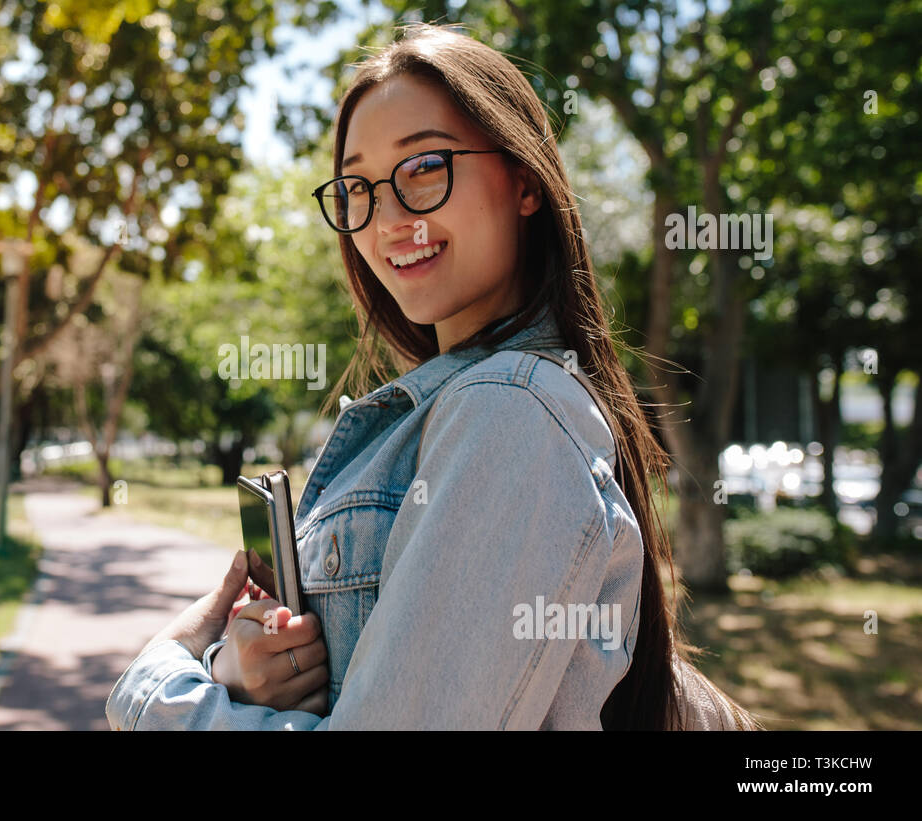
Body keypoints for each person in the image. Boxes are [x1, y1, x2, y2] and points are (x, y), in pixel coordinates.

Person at [105, 23, 759, 730]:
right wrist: (238, 673)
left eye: (423, 167)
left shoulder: (507, 415)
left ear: (523, 180)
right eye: (358, 187)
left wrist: (158, 684)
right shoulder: (475, 410)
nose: (388, 219)